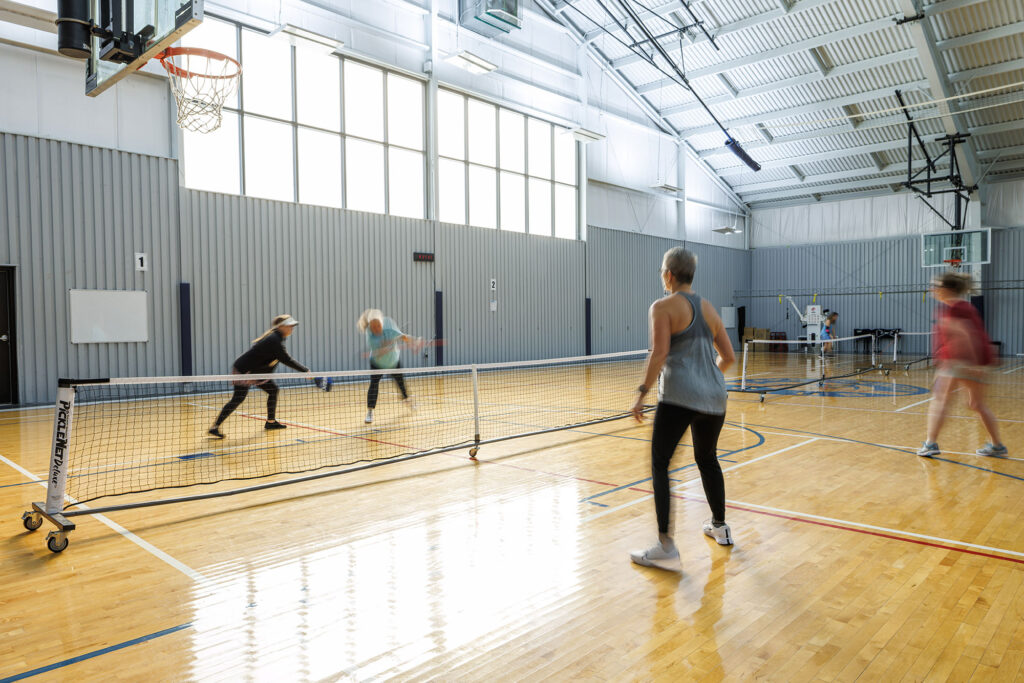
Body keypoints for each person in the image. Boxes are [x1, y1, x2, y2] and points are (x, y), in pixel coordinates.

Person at [629, 247, 736, 570]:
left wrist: (641, 393)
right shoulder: (708, 309)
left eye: (662, 270)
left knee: (660, 464)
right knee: (707, 459)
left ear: (670, 275)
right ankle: (720, 526)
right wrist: (707, 380)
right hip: (715, 399)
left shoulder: (662, 307)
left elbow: (659, 354)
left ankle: (665, 545)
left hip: (678, 397)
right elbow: (729, 357)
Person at [917, 272, 1006, 458]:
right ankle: (997, 446)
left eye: (935, 286)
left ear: (946, 289)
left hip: (958, 361)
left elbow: (965, 336)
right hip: (975, 361)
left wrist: (970, 363)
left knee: (940, 400)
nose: (932, 289)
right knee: (976, 404)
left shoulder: (953, 309)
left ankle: (930, 443)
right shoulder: (966, 307)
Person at [208, 314, 317, 438]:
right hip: (244, 371)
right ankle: (215, 427)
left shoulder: (278, 338)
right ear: (280, 327)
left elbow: (272, 360)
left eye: (292, 326)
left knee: (273, 390)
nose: (291, 328)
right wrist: (305, 371)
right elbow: (286, 359)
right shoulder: (274, 340)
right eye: (289, 326)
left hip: (257, 372)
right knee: (238, 399)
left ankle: (270, 422)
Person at [358, 309, 421, 424]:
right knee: (374, 385)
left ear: (382, 323)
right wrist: (385, 347)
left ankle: (407, 400)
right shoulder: (370, 335)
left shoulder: (389, 326)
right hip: (377, 363)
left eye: (378, 325)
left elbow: (403, 337)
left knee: (401, 383)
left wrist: (414, 342)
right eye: (373, 327)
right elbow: (379, 351)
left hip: (393, 361)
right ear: (370, 326)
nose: (376, 329)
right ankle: (370, 411)